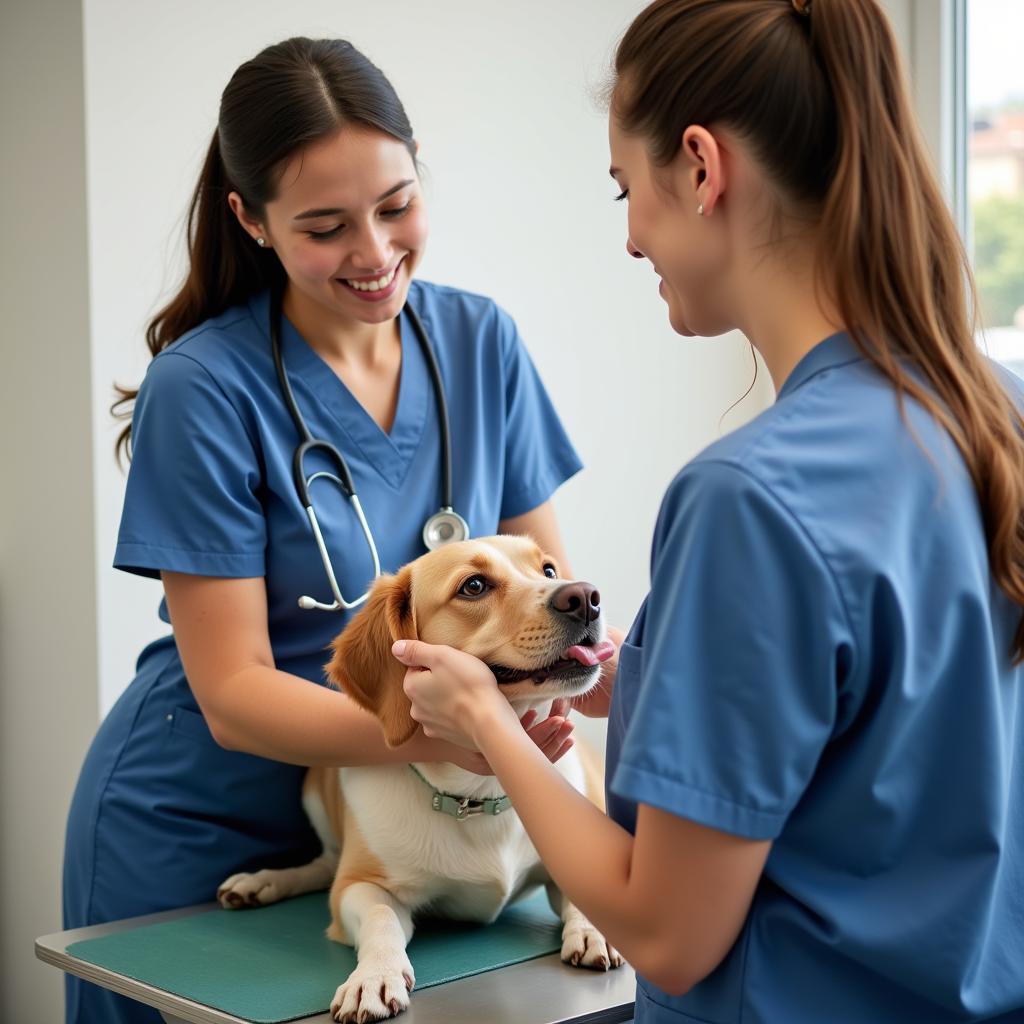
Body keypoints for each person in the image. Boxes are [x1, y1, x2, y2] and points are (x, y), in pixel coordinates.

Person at [393, 1, 1024, 1021]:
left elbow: (668, 936)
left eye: (624, 190)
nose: (632, 233)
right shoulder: (998, 415)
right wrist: (644, 677)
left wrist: (482, 717)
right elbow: (897, 734)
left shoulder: (746, 497)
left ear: (698, 167)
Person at [62, 36, 594, 1024]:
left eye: (396, 205)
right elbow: (232, 694)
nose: (375, 250)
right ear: (250, 220)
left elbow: (547, 599)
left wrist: (539, 721)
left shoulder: (482, 344)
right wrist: (463, 735)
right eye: (324, 226)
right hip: (207, 808)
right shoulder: (204, 388)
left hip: (423, 803)